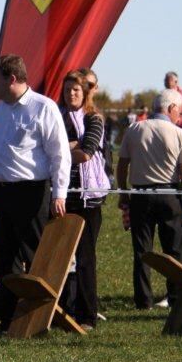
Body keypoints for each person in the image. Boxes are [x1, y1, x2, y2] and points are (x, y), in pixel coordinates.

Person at [0, 55, 70, 334]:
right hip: (1, 195)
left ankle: (44, 320)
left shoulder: (44, 108)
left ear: (12, 80)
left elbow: (60, 154)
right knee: (3, 258)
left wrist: (60, 193)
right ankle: (9, 321)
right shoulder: (0, 111)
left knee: (36, 257)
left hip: (31, 193)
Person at [117, 89, 182, 309]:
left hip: (140, 196)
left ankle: (143, 300)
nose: (180, 116)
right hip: (170, 196)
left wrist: (123, 191)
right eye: (179, 111)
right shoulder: (179, 133)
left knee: (142, 250)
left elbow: (122, 165)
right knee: (175, 250)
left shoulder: (134, 129)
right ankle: (176, 297)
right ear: (171, 108)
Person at [59, 70, 109, 329]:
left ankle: (87, 315)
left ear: (85, 92)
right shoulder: (56, 116)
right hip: (61, 196)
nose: (71, 94)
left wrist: (60, 149)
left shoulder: (94, 118)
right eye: (67, 90)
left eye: (76, 90)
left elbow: (87, 151)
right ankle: (62, 310)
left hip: (89, 198)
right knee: (62, 256)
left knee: (85, 258)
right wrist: (69, 146)